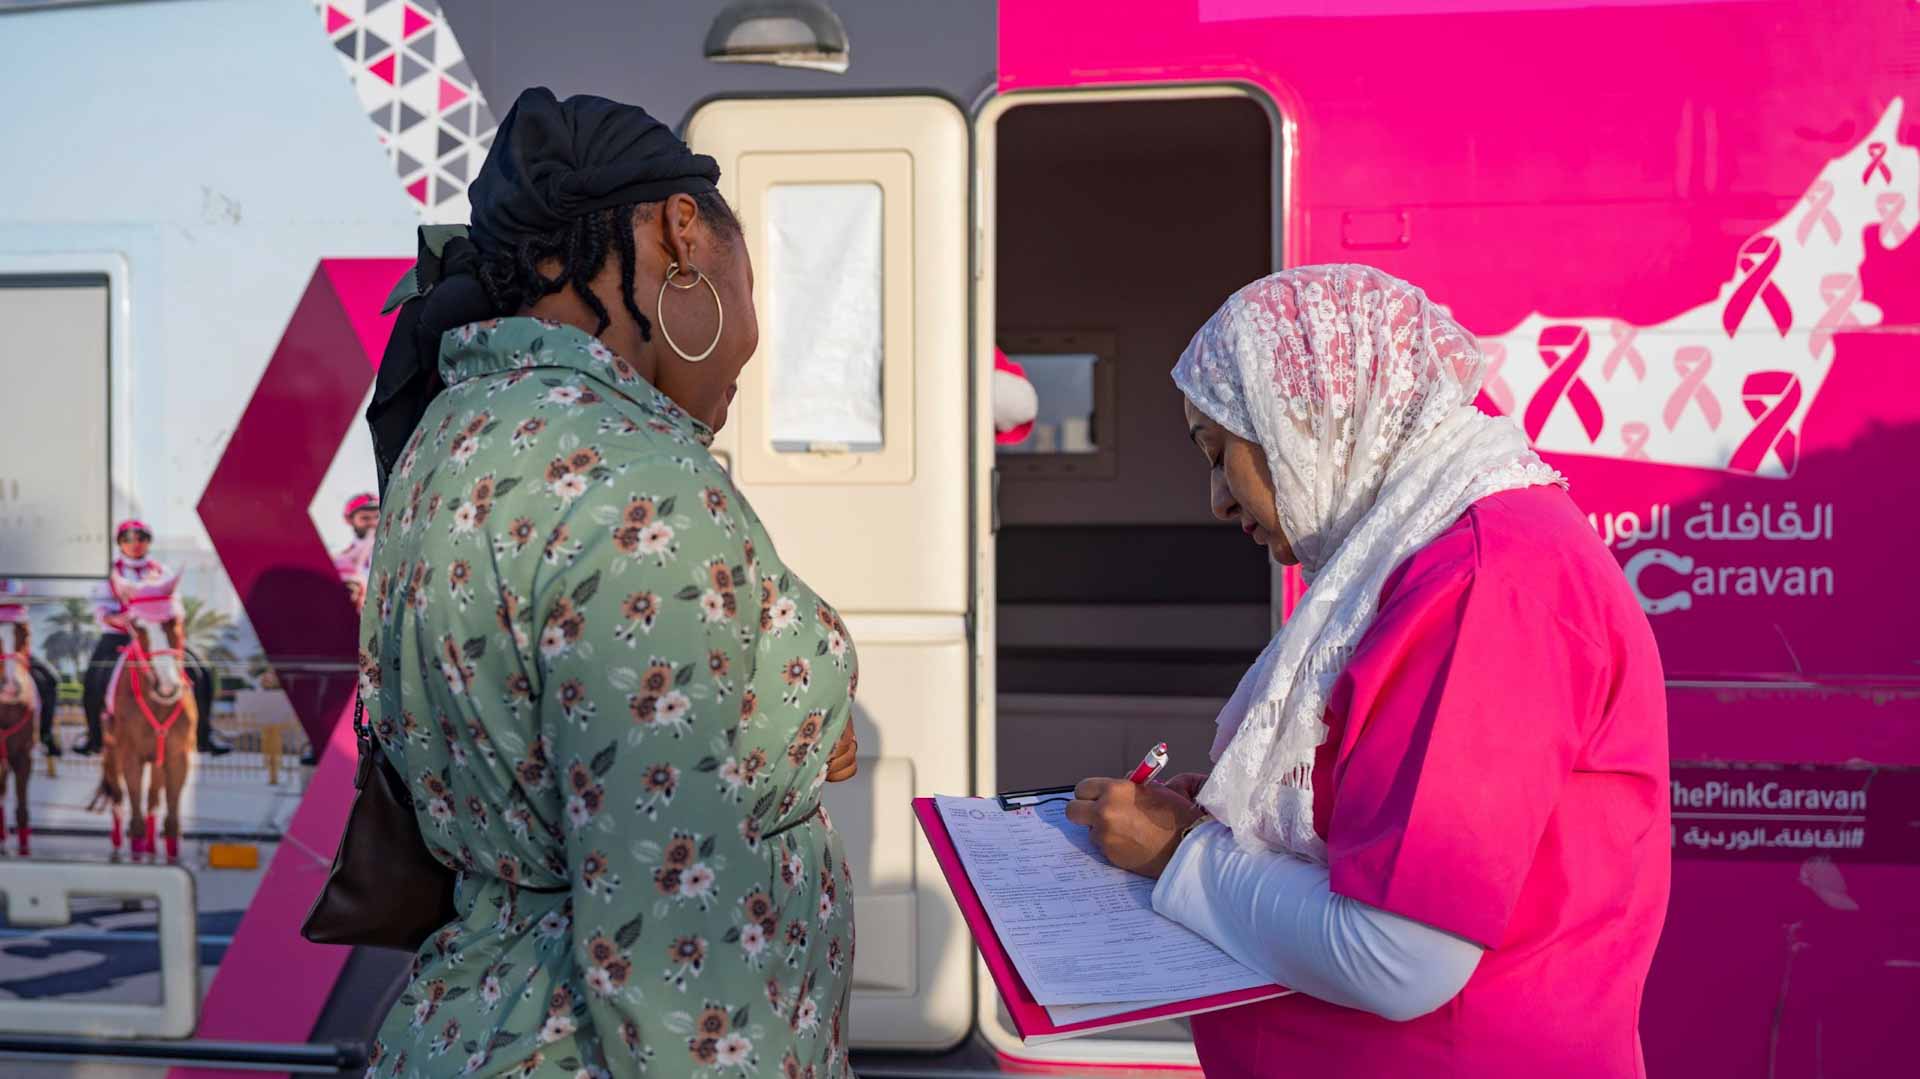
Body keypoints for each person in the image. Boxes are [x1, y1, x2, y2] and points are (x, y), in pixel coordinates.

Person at [357, 88, 860, 1078]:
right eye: (750, 277)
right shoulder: (644, 486)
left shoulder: (453, 430)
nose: (748, 344)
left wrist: (783, 732)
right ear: (681, 234)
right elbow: (668, 923)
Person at [1067, 266, 1669, 1076]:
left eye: (1222, 454)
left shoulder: (1485, 583)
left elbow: (1399, 954)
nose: (1216, 499)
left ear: (1307, 423)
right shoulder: (1425, 559)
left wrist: (1180, 855)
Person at [77, 521, 230, 757]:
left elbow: (176, 605)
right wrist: (123, 619)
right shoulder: (109, 574)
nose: (135, 544)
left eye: (141, 538)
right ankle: (93, 737)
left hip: (157, 636)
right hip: (120, 636)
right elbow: (100, 610)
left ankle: (204, 734)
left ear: (148, 542)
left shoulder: (162, 572)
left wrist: (167, 622)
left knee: (202, 671)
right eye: (128, 539)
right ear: (120, 544)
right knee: (94, 679)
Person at [0, 580, 59, 757]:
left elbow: (23, 604)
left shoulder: (17, 578)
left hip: (16, 646)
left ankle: (44, 735)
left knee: (50, 679)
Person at [333, 493, 380, 584]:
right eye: (365, 518)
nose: (374, 523)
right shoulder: (342, 558)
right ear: (349, 520)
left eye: (377, 517)